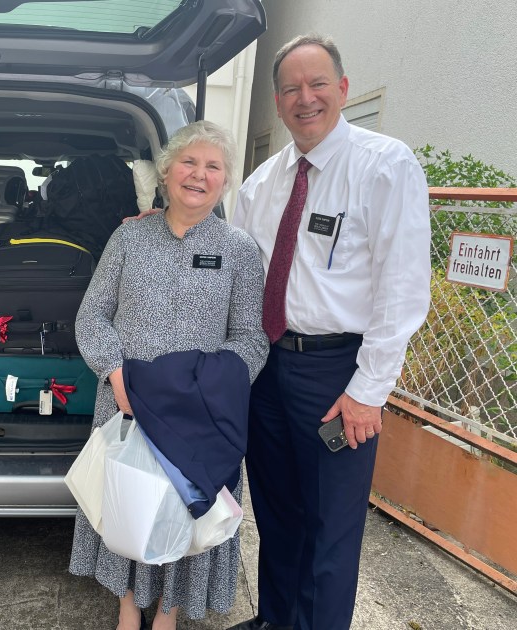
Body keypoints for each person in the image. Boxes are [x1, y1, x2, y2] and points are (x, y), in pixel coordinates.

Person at [227, 35, 431, 630]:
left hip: (337, 374)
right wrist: (160, 226)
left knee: (330, 526)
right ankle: (275, 619)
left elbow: (402, 288)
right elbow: (234, 269)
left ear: (342, 89)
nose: (305, 98)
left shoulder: (385, 165)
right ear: (277, 100)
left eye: (317, 84)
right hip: (266, 368)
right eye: (291, 88)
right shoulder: (262, 183)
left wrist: (369, 391)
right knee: (276, 511)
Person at [69, 120, 270, 630]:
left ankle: (169, 608)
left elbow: (252, 339)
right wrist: (117, 377)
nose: (199, 174)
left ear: (225, 180)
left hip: (198, 415)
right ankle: (127, 603)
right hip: (127, 403)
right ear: (166, 171)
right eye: (188, 162)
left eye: (213, 166)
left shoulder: (240, 251)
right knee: (128, 504)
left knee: (182, 510)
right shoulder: (129, 237)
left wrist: (205, 391)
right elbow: (92, 316)